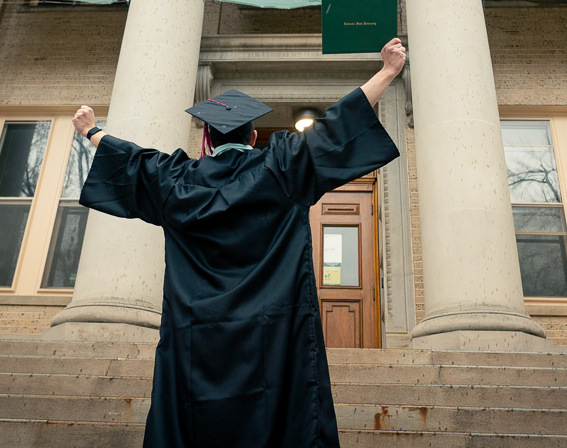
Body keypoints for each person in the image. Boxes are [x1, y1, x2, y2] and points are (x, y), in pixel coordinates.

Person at [72, 38, 407, 448]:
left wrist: (91, 130)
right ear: (253, 137)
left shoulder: (175, 180)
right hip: (273, 332)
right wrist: (388, 71)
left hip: (196, 336)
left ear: (207, 141)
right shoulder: (282, 167)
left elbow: (131, 158)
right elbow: (338, 123)